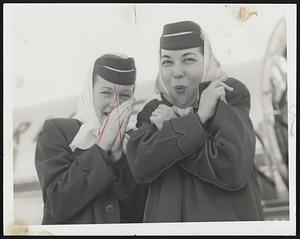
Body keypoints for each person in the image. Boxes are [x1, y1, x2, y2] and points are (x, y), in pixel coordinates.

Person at [126, 21, 264, 222]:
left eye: (188, 59)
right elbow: (139, 167)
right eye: (167, 62)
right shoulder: (153, 111)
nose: (177, 71)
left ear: (206, 60)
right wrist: (198, 120)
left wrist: (172, 128)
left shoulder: (226, 94)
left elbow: (233, 167)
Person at [35, 53, 148, 224]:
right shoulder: (58, 131)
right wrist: (101, 148)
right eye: (106, 93)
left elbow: (139, 213)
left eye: (124, 95)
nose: (115, 103)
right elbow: (57, 204)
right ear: (90, 92)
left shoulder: (137, 141)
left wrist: (119, 161)